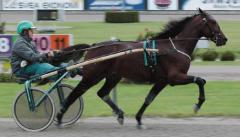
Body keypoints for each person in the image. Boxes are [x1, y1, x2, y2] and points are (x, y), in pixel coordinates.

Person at [10, 20, 80, 82]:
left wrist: (51, 55)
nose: (33, 32)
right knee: (43, 66)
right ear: (25, 32)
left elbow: (38, 56)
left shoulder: (30, 42)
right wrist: (47, 55)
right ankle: (65, 71)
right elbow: (33, 57)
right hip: (21, 70)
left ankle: (75, 69)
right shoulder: (19, 44)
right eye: (31, 30)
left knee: (54, 62)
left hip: (29, 65)